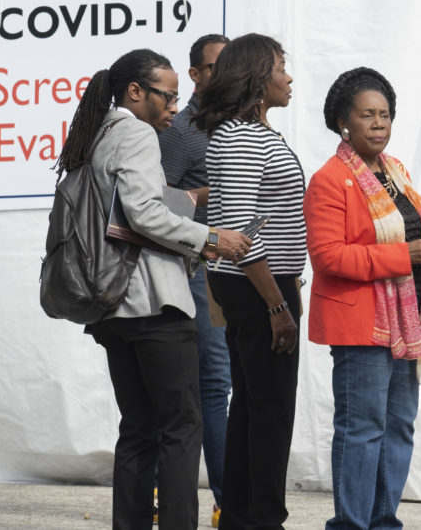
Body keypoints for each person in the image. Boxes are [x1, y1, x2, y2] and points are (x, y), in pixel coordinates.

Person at [54, 49, 251, 529]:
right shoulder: (137, 132)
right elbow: (141, 212)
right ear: (136, 92)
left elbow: (123, 206)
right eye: (166, 96)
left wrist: (184, 200)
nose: (173, 107)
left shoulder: (94, 133)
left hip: (109, 308)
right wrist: (210, 238)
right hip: (153, 304)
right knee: (182, 428)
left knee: (138, 430)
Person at [305, 67, 421, 530]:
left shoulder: (397, 173)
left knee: (398, 427)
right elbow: (329, 257)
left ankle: (384, 520)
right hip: (362, 325)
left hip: (405, 318)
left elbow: (411, 233)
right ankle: (351, 524)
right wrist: (405, 252)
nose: (378, 124)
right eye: (367, 115)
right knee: (362, 430)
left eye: (385, 115)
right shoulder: (330, 180)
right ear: (342, 123)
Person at [192, 33, 305, 530]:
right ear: (259, 78)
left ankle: (242, 515)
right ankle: (263, 518)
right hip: (259, 286)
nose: (289, 76)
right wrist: (277, 306)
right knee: (271, 409)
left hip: (261, 284)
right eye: (281, 67)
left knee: (252, 404)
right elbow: (239, 231)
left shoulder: (255, 134)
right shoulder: (240, 137)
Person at [158, 33, 231, 527]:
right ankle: (223, 503)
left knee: (224, 385)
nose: (226, 74)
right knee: (209, 383)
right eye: (216, 66)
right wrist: (213, 193)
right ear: (196, 75)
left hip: (238, 269)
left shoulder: (238, 125)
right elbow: (152, 202)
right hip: (197, 269)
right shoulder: (181, 131)